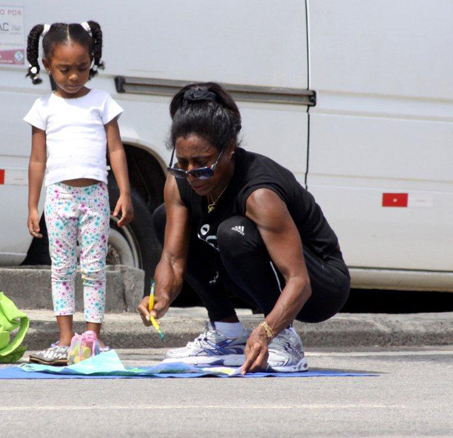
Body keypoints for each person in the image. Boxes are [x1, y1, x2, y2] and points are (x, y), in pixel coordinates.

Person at [137, 83, 350, 374]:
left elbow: (299, 281)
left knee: (233, 232)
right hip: (261, 274)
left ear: (229, 150)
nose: (192, 175)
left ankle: (286, 340)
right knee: (164, 216)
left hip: (318, 286)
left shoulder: (259, 194)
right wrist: (160, 297)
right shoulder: (179, 182)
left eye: (202, 164)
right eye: (183, 163)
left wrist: (266, 331)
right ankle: (226, 334)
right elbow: (173, 260)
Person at [23, 21, 133, 365]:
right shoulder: (44, 107)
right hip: (58, 198)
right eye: (64, 70)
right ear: (47, 66)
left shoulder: (101, 102)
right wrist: (32, 204)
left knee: (95, 269)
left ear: (92, 62)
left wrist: (125, 192)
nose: (73, 77)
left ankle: (93, 339)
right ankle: (65, 339)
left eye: (82, 68)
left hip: (95, 197)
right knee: (61, 269)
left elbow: (116, 150)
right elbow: (37, 159)